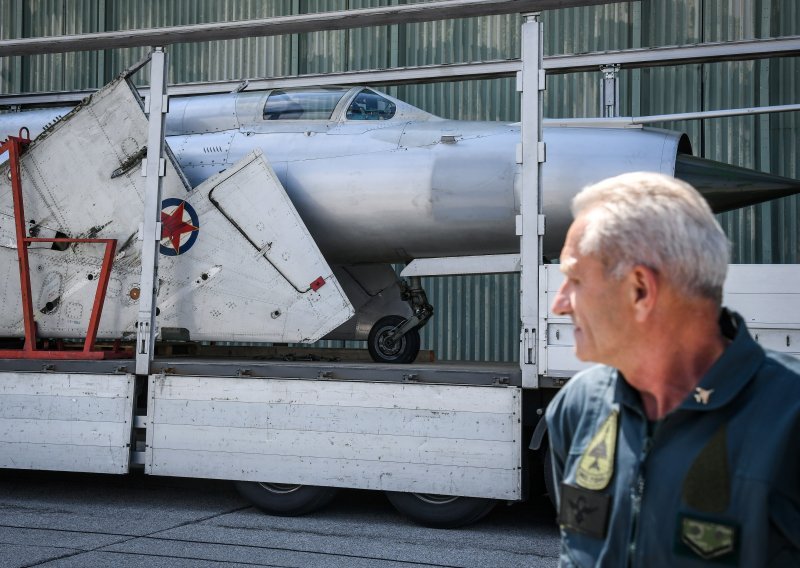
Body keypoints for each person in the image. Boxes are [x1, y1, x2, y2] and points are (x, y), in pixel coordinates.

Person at [545, 171, 800, 567]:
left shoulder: (790, 419)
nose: (559, 305)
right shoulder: (577, 408)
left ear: (641, 290)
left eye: (574, 279)